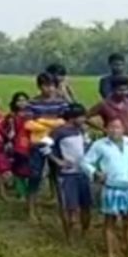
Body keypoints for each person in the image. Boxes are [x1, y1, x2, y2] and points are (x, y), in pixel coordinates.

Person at [80, 118, 128, 257]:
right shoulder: (100, 145)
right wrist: (95, 173)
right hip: (111, 188)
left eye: (118, 127)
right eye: (111, 127)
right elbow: (85, 162)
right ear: (106, 129)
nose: (115, 130)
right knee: (110, 222)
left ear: (123, 129)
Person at [24, 73, 70, 221]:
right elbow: (29, 124)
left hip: (56, 143)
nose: (49, 89)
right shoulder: (32, 103)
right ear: (39, 86)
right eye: (45, 85)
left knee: (57, 174)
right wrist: (53, 123)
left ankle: (61, 206)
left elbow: (65, 121)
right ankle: (31, 210)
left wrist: (42, 121)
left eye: (52, 85)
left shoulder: (61, 103)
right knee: (35, 175)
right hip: (37, 144)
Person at [48, 104, 93, 242]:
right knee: (70, 207)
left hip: (83, 172)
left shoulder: (81, 131)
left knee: (86, 206)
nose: (84, 119)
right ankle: (69, 236)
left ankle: (84, 233)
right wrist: (57, 161)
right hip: (67, 174)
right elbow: (44, 146)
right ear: (73, 117)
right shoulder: (59, 132)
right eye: (82, 117)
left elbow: (87, 146)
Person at [6, 93, 32, 199]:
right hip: (16, 146)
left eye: (24, 100)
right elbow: (7, 131)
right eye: (19, 100)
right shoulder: (11, 116)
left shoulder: (31, 115)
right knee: (17, 171)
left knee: (28, 170)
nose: (21, 103)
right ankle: (21, 192)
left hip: (29, 146)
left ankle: (28, 192)